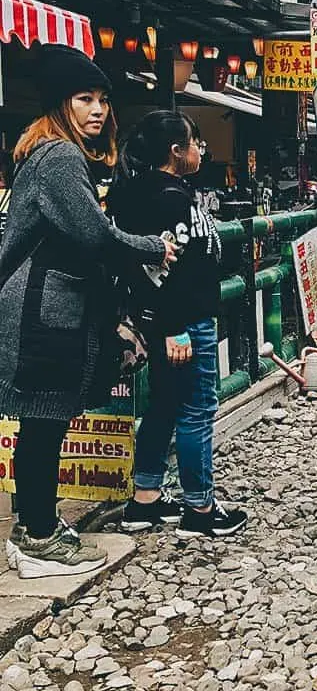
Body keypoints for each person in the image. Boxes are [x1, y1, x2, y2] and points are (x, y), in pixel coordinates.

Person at [0, 45, 175, 578]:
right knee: (44, 420)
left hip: (40, 302)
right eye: (84, 99)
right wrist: (151, 245)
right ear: (61, 104)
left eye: (102, 99)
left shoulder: (48, 152)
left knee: (40, 420)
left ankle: (35, 526)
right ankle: (38, 537)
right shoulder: (60, 156)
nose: (98, 110)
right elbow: (92, 234)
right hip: (41, 308)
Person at [107, 111, 247, 539]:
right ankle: (199, 508)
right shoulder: (168, 199)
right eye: (194, 143)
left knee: (166, 405)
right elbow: (167, 272)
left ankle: (145, 500)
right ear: (175, 151)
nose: (199, 150)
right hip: (184, 321)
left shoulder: (149, 192)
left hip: (170, 320)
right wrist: (176, 328)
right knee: (196, 410)